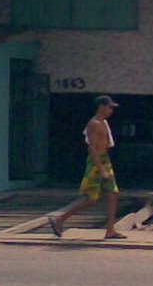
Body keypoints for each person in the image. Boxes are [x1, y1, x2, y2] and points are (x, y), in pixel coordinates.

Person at [49, 95, 126, 240]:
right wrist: (101, 169)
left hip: (105, 161)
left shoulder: (104, 123)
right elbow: (92, 149)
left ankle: (110, 230)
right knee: (91, 198)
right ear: (101, 107)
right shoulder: (94, 124)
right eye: (109, 107)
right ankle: (60, 219)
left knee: (112, 194)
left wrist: (105, 166)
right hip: (96, 163)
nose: (111, 110)